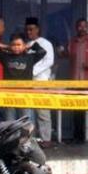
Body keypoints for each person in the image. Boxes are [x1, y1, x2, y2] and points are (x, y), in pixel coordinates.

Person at [0, 33, 47, 125]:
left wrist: (31, 46)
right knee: (10, 123)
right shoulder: (5, 57)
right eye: (13, 45)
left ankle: (26, 136)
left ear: (24, 45)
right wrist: (7, 47)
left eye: (19, 45)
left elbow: (42, 52)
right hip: (9, 96)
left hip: (25, 95)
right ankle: (12, 136)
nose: (16, 47)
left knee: (26, 123)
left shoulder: (30, 58)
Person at [25, 17, 56, 147]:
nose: (29, 32)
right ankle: (30, 138)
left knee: (42, 111)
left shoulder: (45, 43)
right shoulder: (27, 44)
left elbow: (49, 61)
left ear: (37, 29)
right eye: (27, 30)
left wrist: (32, 71)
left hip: (41, 81)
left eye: (31, 29)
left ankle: (46, 139)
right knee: (28, 111)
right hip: (28, 82)